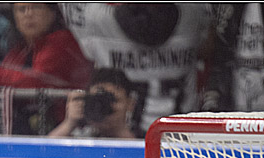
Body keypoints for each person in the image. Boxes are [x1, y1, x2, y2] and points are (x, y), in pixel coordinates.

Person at [61, 3, 211, 131]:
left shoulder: (95, 20)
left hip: (124, 133)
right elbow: (210, 46)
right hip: (183, 138)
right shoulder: (194, 14)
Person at [0, 3, 91, 135]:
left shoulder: (63, 41)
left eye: (36, 7)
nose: (28, 14)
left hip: (67, 129)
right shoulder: (19, 51)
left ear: (52, 13)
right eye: (21, 9)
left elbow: (38, 81)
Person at [48, 67, 140, 138]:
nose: (102, 105)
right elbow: (45, 151)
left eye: (112, 100)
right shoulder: (81, 133)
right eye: (97, 99)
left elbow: (143, 155)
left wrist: (118, 131)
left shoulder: (143, 136)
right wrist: (69, 124)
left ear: (130, 104)